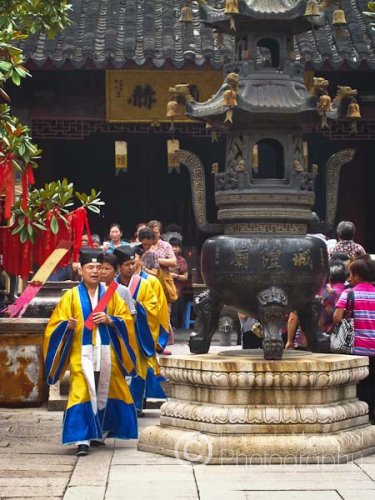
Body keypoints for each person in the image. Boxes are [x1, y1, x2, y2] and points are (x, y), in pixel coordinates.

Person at [44, 248, 138, 457]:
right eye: (90, 267)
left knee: (105, 389)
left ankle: (99, 432)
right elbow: (54, 325)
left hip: (106, 352)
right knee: (81, 391)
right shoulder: (70, 296)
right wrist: (65, 326)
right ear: (81, 270)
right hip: (81, 352)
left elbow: (127, 320)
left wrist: (111, 320)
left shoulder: (112, 295)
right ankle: (82, 439)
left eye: (98, 267)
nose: (95, 271)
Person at [114, 246, 160, 415]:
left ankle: (136, 406)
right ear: (119, 267)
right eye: (127, 264)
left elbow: (153, 307)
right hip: (118, 333)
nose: (131, 267)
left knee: (138, 370)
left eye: (133, 263)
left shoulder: (144, 284)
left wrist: (136, 307)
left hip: (138, 334)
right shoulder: (113, 286)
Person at [334, 256, 375, 418]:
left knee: (359, 384)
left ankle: (361, 415)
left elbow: (337, 318)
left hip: (356, 348)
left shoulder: (349, 293)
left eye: (351, 274)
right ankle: (372, 413)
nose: (349, 278)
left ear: (358, 275)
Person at [98, 253, 136, 319]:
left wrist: (112, 321)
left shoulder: (123, 291)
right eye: (100, 268)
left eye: (107, 269)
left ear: (115, 271)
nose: (103, 272)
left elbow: (132, 317)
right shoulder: (91, 289)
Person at [169, 238, 189, 329]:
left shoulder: (182, 260)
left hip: (176, 290)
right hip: (164, 289)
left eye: (176, 246)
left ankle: (174, 328)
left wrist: (176, 276)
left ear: (180, 248)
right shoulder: (165, 258)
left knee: (174, 311)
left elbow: (185, 277)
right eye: (172, 246)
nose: (174, 249)